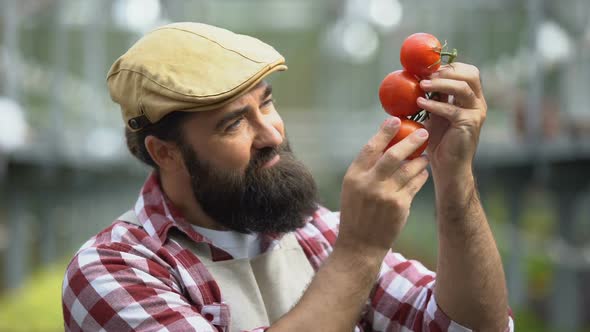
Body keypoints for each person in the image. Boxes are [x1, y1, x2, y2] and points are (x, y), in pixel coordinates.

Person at [62, 22, 513, 332]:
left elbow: (468, 326)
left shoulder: (317, 232)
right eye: (233, 123)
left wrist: (454, 182)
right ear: (165, 152)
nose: (271, 133)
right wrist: (360, 250)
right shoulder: (112, 269)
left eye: (267, 103)